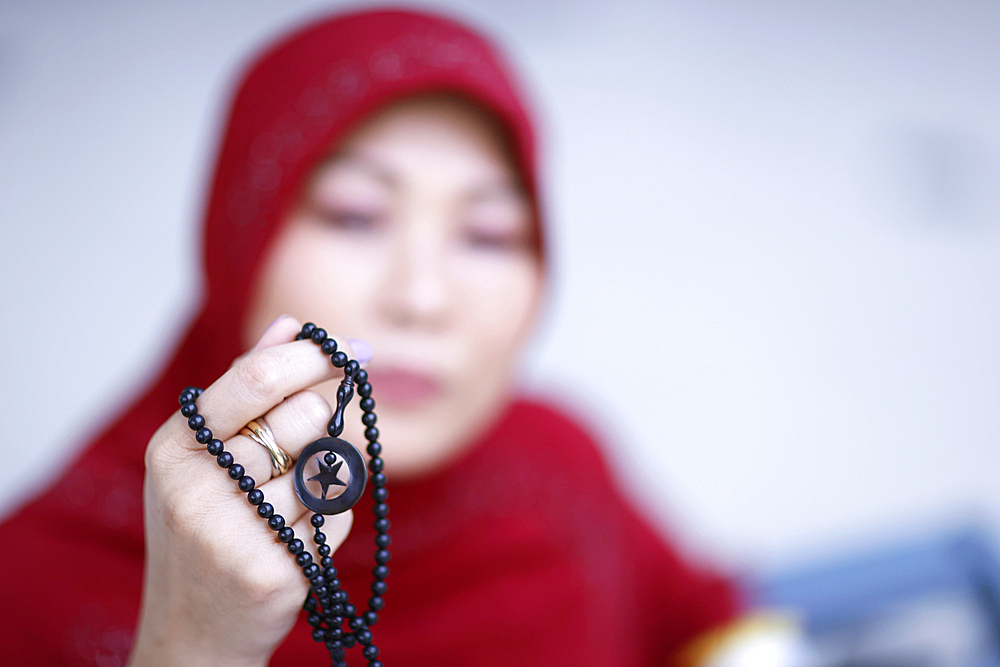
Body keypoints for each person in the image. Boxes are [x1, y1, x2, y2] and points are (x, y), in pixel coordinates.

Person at [0, 8, 740, 666]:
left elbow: (708, 619)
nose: (421, 297)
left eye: (488, 234)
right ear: (237, 240)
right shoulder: (30, 581)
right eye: (354, 215)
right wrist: (192, 645)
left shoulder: (561, 463)